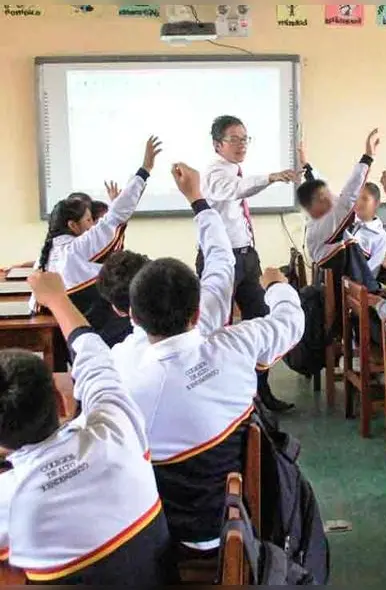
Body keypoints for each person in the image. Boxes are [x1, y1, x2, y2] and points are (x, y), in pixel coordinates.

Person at [125, 162, 305, 554]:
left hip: (155, 538)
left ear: (134, 318)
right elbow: (227, 267)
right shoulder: (235, 344)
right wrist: (277, 287)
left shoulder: (122, 375)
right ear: (194, 312)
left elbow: (220, 268)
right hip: (233, 522)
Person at [0, 271, 174, 585]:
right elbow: (94, 357)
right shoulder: (116, 426)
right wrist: (56, 299)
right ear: (62, 402)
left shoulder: (9, 498)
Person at [95, 176, 236, 393]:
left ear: (123, 311)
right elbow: (221, 259)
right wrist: (196, 198)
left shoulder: (119, 363)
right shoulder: (207, 316)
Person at [200, 114, 300, 412]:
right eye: (235, 139)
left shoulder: (233, 170)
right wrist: (270, 177)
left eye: (245, 138)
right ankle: (224, 398)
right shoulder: (215, 174)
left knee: (260, 318)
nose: (242, 144)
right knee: (218, 327)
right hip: (220, 260)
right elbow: (235, 189)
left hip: (246, 256)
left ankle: (261, 392)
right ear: (218, 144)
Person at [33, 136, 161, 347]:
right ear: (73, 225)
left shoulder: (48, 253)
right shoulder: (77, 248)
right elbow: (116, 216)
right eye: (89, 220)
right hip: (102, 333)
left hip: (72, 334)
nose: (93, 225)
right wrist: (145, 169)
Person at [298, 129, 383, 267]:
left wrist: (368, 157)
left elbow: (370, 269)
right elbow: (339, 194)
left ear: (376, 204)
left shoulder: (379, 235)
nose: (359, 202)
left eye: (365, 199)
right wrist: (305, 164)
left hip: (357, 281)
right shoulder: (340, 212)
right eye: (359, 197)